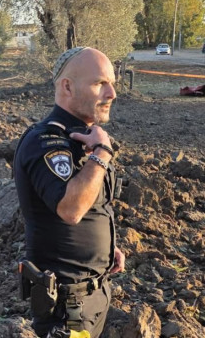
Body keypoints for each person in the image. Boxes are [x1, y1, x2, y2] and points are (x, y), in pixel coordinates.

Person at [14, 47, 125, 338]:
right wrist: (101, 154)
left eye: (112, 83)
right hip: (67, 307)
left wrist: (105, 249)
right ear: (67, 87)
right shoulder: (46, 141)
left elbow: (95, 205)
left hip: (94, 293)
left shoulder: (84, 138)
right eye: (100, 83)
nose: (112, 93)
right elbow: (71, 209)